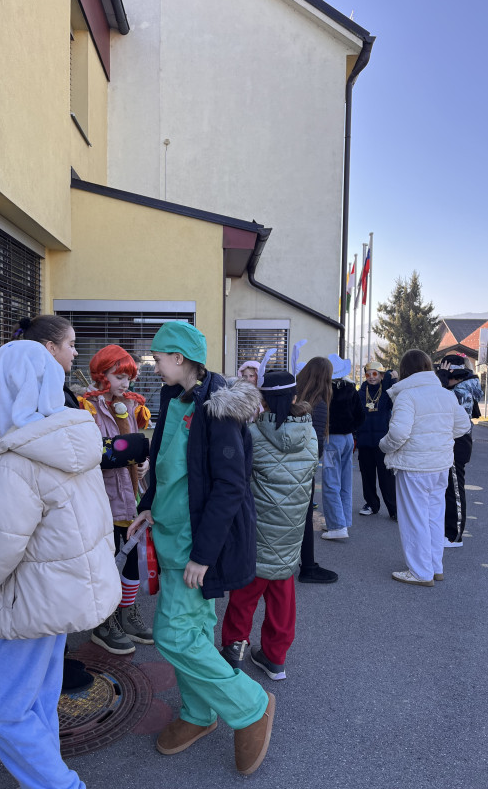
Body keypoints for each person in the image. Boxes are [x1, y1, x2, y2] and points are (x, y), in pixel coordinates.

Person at [0, 339, 121, 789]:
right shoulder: (74, 440)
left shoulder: (16, 461)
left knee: (2, 713)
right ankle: (44, 778)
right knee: (41, 698)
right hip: (59, 597)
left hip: (24, 601)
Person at [128, 320, 275, 776]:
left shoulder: (218, 408)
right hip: (171, 536)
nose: (154, 366)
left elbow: (230, 488)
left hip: (194, 547)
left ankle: (250, 705)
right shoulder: (174, 397)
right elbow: (166, 465)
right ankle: (198, 713)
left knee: (174, 635)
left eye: (157, 358)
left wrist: (203, 557)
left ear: (179, 358)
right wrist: (149, 506)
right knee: (192, 631)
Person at [12, 314, 92, 692]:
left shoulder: (55, 388)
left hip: (57, 505)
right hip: (49, 507)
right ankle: (47, 671)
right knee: (48, 589)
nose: (75, 353)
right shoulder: (45, 396)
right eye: (70, 345)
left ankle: (55, 661)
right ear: (49, 348)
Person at [221, 370, 318, 680]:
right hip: (292, 527)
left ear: (261, 400)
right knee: (282, 595)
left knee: (244, 596)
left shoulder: (251, 433)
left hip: (257, 530)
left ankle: (234, 652)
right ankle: (275, 658)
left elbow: (239, 480)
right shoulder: (310, 434)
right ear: (294, 397)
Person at [81, 345, 152, 655]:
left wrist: (144, 463)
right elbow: (89, 453)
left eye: (129, 377)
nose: (126, 383)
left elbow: (137, 446)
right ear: (102, 375)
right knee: (106, 561)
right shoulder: (87, 409)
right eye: (119, 376)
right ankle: (104, 619)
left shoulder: (132, 406)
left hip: (131, 496)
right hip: (104, 499)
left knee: (132, 559)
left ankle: (127, 612)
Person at [379, 349, 471, 586]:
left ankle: (420, 572)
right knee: (434, 517)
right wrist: (439, 438)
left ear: (405, 370)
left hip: (414, 466)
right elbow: (463, 426)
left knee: (414, 519)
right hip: (440, 464)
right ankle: (434, 566)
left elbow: (398, 433)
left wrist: (384, 446)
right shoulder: (445, 394)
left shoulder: (407, 396)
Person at [295, 356, 338, 582]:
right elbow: (316, 446)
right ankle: (308, 567)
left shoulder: (295, 397)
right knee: (305, 518)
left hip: (285, 466)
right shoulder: (318, 404)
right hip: (303, 468)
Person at [436, 354, 484, 547]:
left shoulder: (460, 391)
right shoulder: (460, 388)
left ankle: (454, 536)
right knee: (449, 489)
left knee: (454, 490)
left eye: (445, 373)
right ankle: (448, 531)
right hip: (455, 442)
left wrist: (441, 379)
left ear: (454, 374)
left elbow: (440, 404)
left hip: (457, 443)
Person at [320, 354, 365, 541]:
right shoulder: (350, 388)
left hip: (331, 439)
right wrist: (351, 429)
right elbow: (361, 415)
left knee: (331, 482)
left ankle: (337, 525)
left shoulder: (325, 390)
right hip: (348, 439)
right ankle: (343, 520)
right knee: (345, 481)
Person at [356, 361, 398, 520]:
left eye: (375, 374)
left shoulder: (387, 392)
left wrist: (392, 380)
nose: (371, 377)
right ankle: (371, 504)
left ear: (381, 375)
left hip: (382, 443)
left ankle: (394, 509)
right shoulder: (360, 393)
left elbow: (397, 400)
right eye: (368, 374)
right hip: (364, 441)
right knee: (367, 476)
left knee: (386, 478)